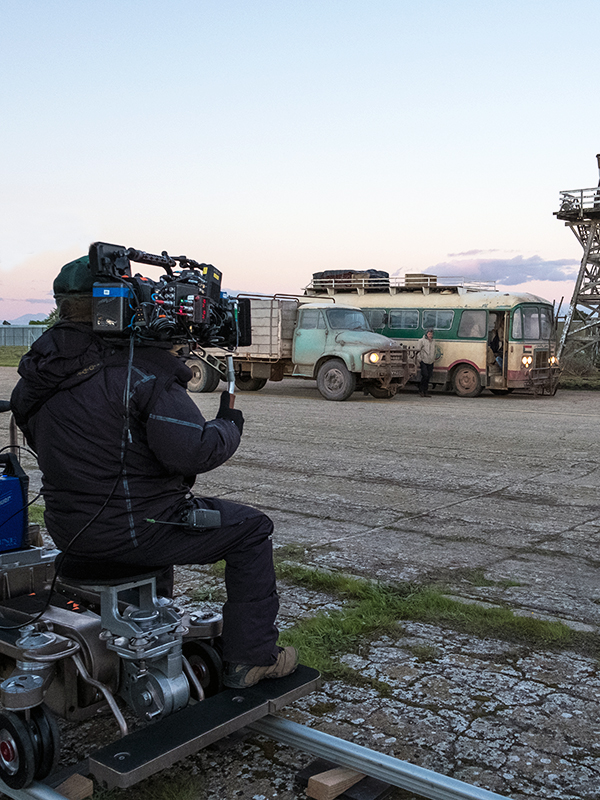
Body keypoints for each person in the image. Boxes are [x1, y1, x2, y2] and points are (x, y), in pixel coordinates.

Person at [10, 256, 297, 689]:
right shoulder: (141, 370)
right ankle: (252, 658)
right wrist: (229, 425)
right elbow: (193, 453)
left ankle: (147, 642)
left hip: (70, 533)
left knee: (158, 520)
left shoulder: (37, 373)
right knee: (252, 530)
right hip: (136, 531)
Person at [416, 328, 436, 397]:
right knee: (425, 375)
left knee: (428, 376)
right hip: (423, 361)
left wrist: (433, 358)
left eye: (431, 334)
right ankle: (421, 390)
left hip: (430, 361)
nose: (430, 335)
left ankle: (425, 391)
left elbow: (434, 351)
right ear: (426, 334)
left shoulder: (433, 342)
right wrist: (420, 359)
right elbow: (418, 350)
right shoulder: (421, 341)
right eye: (429, 334)